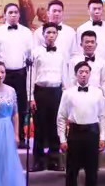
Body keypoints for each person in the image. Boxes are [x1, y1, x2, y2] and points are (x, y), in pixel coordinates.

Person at [58, 60, 105, 186]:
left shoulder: (98, 92)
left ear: (90, 74)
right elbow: (61, 117)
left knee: (92, 170)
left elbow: (103, 116)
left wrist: (103, 137)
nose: (84, 74)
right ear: (76, 74)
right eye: (81, 72)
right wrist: (62, 139)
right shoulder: (68, 93)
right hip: (75, 133)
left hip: (92, 133)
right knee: (72, 170)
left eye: (86, 72)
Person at [0, 3, 34, 147]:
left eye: (16, 12)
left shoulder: (27, 32)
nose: (13, 15)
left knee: (20, 106)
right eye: (10, 12)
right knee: (3, 105)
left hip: (21, 73)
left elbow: (31, 54)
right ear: (4, 15)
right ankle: (4, 137)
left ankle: (20, 138)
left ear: (19, 15)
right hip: (3, 75)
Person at [28, 23, 72, 171]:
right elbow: (31, 75)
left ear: (57, 35)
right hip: (40, 91)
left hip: (56, 92)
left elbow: (65, 74)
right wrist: (30, 97)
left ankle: (54, 159)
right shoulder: (35, 52)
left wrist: (67, 94)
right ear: (43, 34)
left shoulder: (62, 53)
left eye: (53, 32)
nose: (51, 35)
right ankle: (38, 160)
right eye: (48, 32)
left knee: (55, 126)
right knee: (39, 126)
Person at [76, 0, 105, 65]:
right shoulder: (81, 28)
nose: (97, 11)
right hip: (86, 65)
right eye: (94, 9)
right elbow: (79, 50)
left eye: (99, 9)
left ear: (103, 10)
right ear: (88, 11)